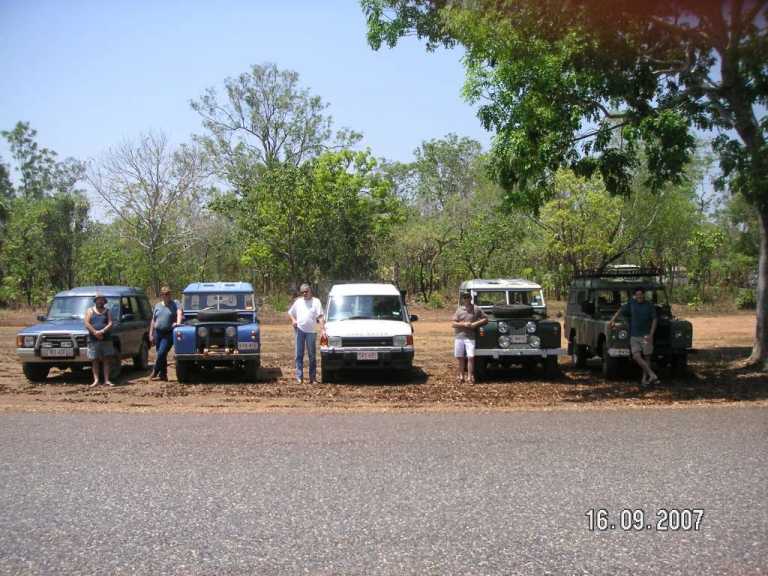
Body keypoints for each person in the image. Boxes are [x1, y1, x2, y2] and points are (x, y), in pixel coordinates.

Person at [610, 287, 659, 387]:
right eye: (637, 295)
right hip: (634, 335)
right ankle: (652, 374)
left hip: (646, 336)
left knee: (647, 357)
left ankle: (644, 380)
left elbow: (654, 320)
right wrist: (613, 320)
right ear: (635, 295)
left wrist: (651, 334)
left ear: (643, 295)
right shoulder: (632, 303)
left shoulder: (649, 305)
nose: (639, 296)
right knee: (636, 356)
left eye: (641, 294)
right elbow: (621, 310)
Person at [288, 283, 324, 384]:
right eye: (302, 292)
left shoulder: (316, 302)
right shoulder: (298, 302)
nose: (304, 293)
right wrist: (293, 320)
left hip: (311, 332)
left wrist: (323, 329)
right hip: (299, 330)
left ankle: (312, 378)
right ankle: (299, 377)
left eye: (306, 291)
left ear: (310, 291)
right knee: (299, 354)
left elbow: (320, 316)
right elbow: (290, 312)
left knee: (312, 355)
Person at [452, 292, 488, 384]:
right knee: (460, 357)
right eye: (464, 297)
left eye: (468, 297)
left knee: (470, 357)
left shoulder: (476, 309)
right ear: (462, 299)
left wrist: (475, 324)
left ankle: (470, 376)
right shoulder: (459, 310)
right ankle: (461, 376)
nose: (466, 299)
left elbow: (485, 319)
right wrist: (464, 324)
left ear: (471, 298)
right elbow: (453, 324)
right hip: (459, 336)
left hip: (470, 337)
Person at [149, 286, 183, 381]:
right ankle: (163, 374)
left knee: (161, 353)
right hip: (158, 332)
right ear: (161, 295)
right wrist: (151, 334)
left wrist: (178, 323)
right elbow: (153, 320)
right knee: (161, 354)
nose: (166, 295)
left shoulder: (175, 304)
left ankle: (155, 371)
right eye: (164, 294)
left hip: (168, 333)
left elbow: (179, 312)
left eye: (168, 294)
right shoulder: (157, 305)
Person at [84, 294, 115, 387]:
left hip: (106, 339)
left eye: (102, 300)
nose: (100, 301)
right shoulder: (90, 311)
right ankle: (96, 380)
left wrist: (102, 331)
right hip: (93, 339)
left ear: (104, 302)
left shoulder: (107, 311)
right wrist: (95, 332)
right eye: (98, 300)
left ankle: (106, 380)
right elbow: (86, 323)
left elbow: (110, 323)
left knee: (106, 360)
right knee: (95, 360)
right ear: (95, 301)